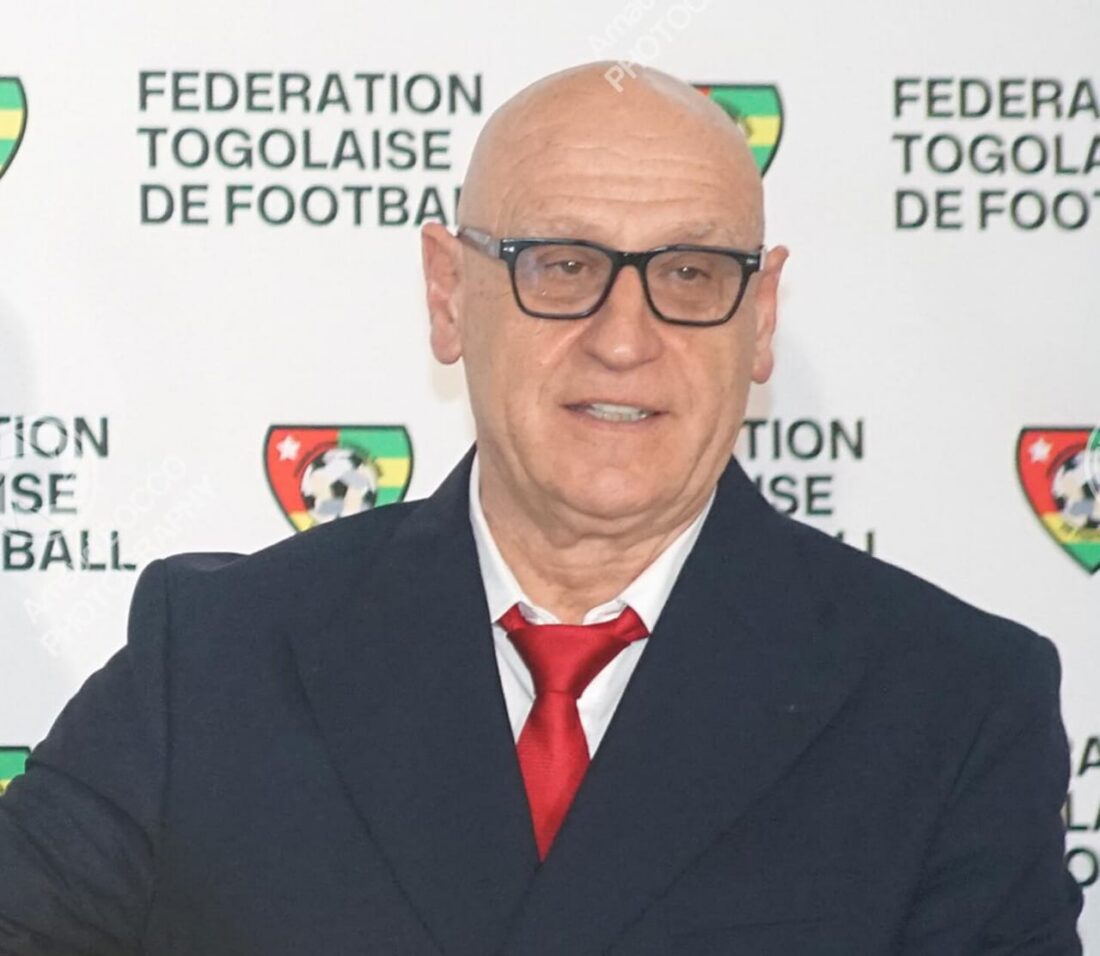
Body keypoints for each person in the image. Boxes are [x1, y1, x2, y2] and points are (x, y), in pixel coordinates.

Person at [0, 62, 1083, 955]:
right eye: (561, 266)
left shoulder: (951, 705)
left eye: (690, 274)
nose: (624, 337)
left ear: (758, 319)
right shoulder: (216, 657)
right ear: (447, 292)